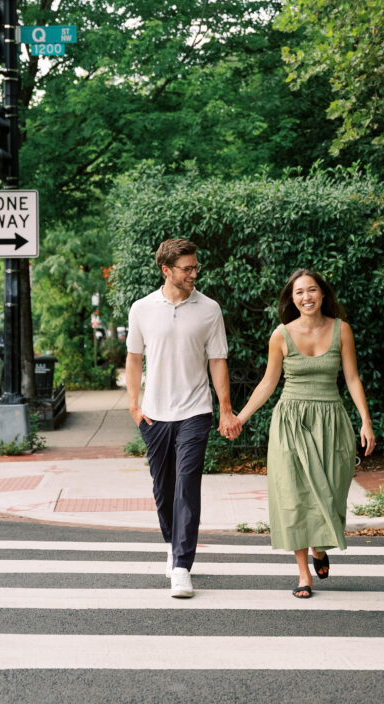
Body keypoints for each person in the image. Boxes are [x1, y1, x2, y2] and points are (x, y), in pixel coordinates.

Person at [235, 268, 375, 599]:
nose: (306, 297)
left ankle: (320, 549)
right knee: (294, 497)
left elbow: (352, 378)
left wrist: (365, 421)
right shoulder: (281, 335)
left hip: (330, 421)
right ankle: (303, 574)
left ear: (322, 294)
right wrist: (240, 417)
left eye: (311, 290)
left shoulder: (342, 330)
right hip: (290, 423)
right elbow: (269, 383)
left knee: (329, 493)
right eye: (299, 292)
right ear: (292, 299)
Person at [126, 238, 241, 599]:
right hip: (155, 414)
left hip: (195, 410)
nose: (194, 273)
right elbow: (133, 358)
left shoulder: (209, 309)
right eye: (187, 268)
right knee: (163, 489)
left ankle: (181, 566)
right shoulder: (142, 308)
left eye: (195, 267)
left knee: (187, 485)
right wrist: (134, 404)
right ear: (166, 270)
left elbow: (217, 360)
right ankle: (171, 542)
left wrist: (224, 408)